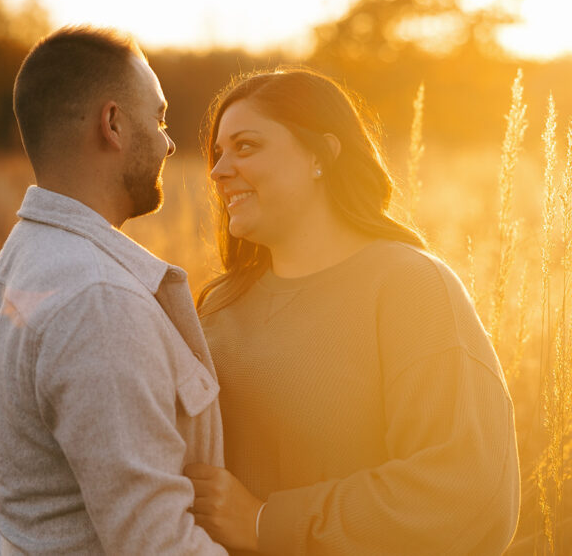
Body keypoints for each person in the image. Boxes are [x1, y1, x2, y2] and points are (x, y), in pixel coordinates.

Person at [186, 67, 520, 555]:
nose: (217, 172)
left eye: (246, 146)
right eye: (218, 154)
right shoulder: (216, 307)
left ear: (321, 154)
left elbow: (468, 490)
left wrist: (265, 522)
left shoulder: (409, 286)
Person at [0, 26, 227, 555]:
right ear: (112, 123)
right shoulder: (99, 301)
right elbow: (155, 543)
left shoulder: (15, 266)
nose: (169, 141)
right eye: (158, 117)